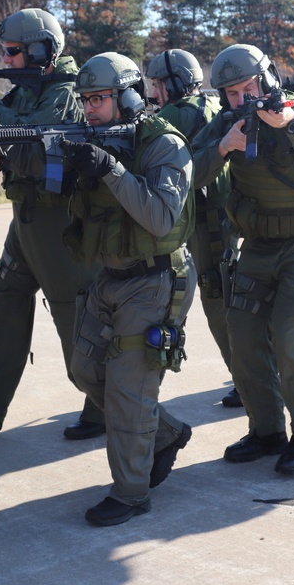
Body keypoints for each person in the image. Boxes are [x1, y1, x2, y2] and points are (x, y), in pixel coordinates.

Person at [190, 44, 294, 475]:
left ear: (268, 78)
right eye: (232, 93)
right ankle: (267, 430)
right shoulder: (225, 125)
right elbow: (188, 178)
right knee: (243, 333)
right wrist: (222, 148)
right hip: (257, 244)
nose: (243, 99)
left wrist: (291, 125)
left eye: (249, 87)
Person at [63, 52, 196, 525]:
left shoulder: (165, 145)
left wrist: (109, 170)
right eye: (84, 100)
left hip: (156, 278)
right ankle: (166, 433)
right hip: (112, 277)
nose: (89, 109)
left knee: (128, 391)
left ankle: (131, 493)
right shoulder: (91, 136)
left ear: (129, 96)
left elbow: (160, 216)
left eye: (98, 99)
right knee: (84, 371)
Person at [0, 8, 106, 440]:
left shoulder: (64, 92)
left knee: (72, 316)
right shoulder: (29, 89)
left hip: (58, 221)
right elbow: (0, 126)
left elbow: (32, 151)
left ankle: (105, 408)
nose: (5, 60)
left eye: (12, 52)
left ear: (40, 50)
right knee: (3, 305)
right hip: (26, 217)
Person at [145, 49, 239, 407]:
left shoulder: (175, 114)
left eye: (158, 85)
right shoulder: (212, 106)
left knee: (217, 299)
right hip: (226, 213)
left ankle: (247, 380)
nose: (155, 94)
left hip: (206, 220)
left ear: (173, 84)